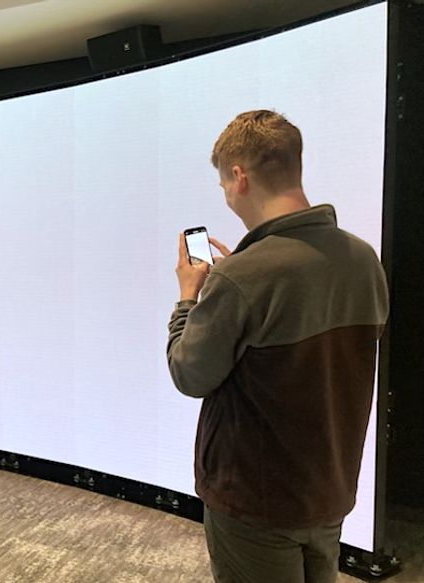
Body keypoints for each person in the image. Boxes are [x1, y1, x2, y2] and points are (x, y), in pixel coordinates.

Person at [166, 110, 389, 583]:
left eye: (224, 183)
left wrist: (190, 296)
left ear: (240, 176)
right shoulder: (364, 260)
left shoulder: (242, 275)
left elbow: (190, 374)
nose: (227, 195)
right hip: (328, 490)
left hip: (255, 501)